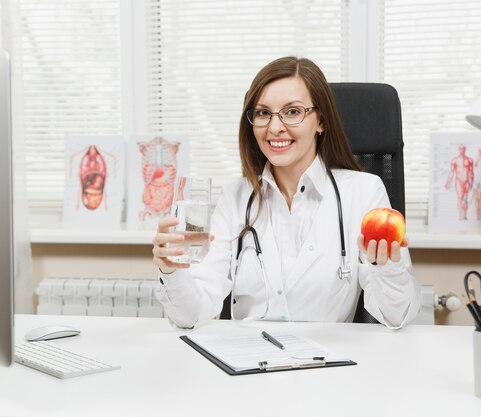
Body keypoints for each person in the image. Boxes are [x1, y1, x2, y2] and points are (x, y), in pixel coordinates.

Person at [152, 56, 420, 329]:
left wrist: (385, 268)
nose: (275, 127)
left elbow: (396, 316)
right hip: (248, 361)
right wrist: (171, 269)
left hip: (329, 363)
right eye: (263, 113)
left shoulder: (364, 192)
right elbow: (191, 316)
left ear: (321, 122)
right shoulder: (235, 198)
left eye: (293, 112)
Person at [444, 144, 474, 220]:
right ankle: (461, 215)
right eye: (461, 148)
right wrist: (448, 182)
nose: (462, 150)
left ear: (465, 149)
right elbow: (451, 172)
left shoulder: (469, 160)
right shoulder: (454, 160)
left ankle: (464, 215)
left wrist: (471, 182)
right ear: (458, 149)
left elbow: (471, 172)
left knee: (465, 199)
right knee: (460, 198)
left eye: (463, 148)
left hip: (466, 181)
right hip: (459, 181)